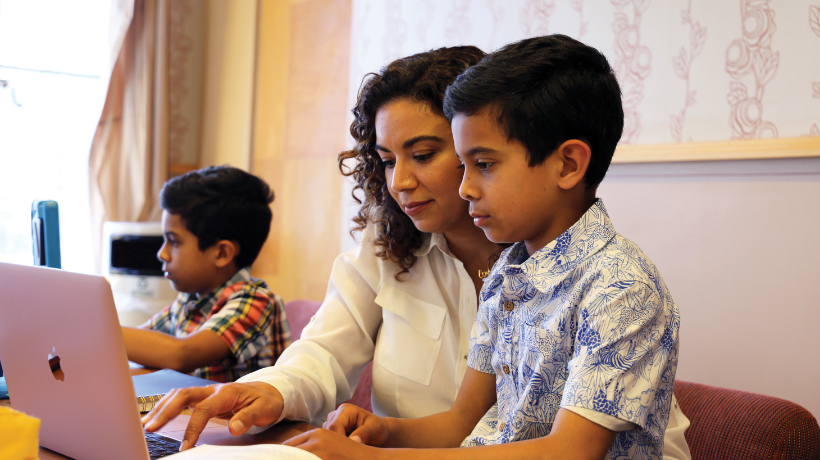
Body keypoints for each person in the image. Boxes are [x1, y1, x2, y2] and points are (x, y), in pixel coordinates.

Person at [141, 46, 690, 458]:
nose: (400, 182)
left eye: (430, 155)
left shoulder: (618, 284)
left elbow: (568, 451)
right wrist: (378, 432)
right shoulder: (510, 275)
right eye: (384, 160)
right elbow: (456, 423)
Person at [122, 165, 290, 383]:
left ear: (221, 253)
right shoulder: (190, 299)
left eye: (173, 241)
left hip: (235, 418)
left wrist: (100, 332)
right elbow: (143, 341)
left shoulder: (257, 303)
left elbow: (181, 354)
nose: (162, 253)